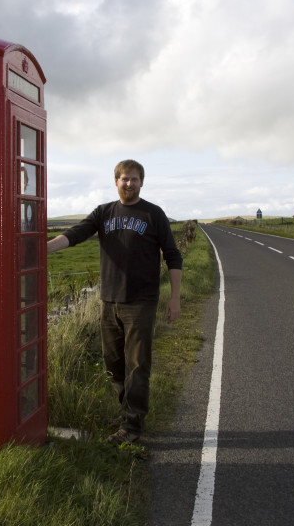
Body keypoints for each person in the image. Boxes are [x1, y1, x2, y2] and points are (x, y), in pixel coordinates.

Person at [47, 160, 183, 444]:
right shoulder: (103, 213)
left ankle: (132, 427)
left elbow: (173, 255)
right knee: (114, 363)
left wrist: (175, 298)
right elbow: (76, 233)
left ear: (141, 182)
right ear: (116, 181)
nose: (129, 184)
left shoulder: (153, 214)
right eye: (124, 179)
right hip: (109, 301)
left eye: (134, 179)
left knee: (137, 365)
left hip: (141, 302)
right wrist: (45, 247)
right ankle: (126, 412)